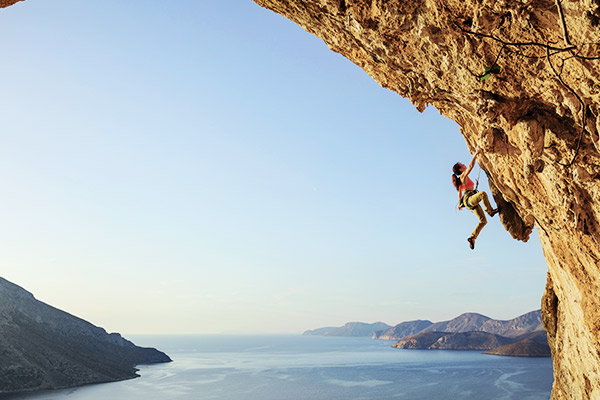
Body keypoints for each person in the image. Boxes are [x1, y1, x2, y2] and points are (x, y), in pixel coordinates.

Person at [452, 148, 498, 249]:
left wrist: (460, 204)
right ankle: (490, 211)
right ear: (460, 169)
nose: (464, 165)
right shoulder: (463, 176)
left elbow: (459, 194)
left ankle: (472, 238)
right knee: (482, 194)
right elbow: (470, 166)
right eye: (462, 165)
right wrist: (476, 154)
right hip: (469, 199)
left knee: (483, 221)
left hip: (469, 202)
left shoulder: (460, 181)